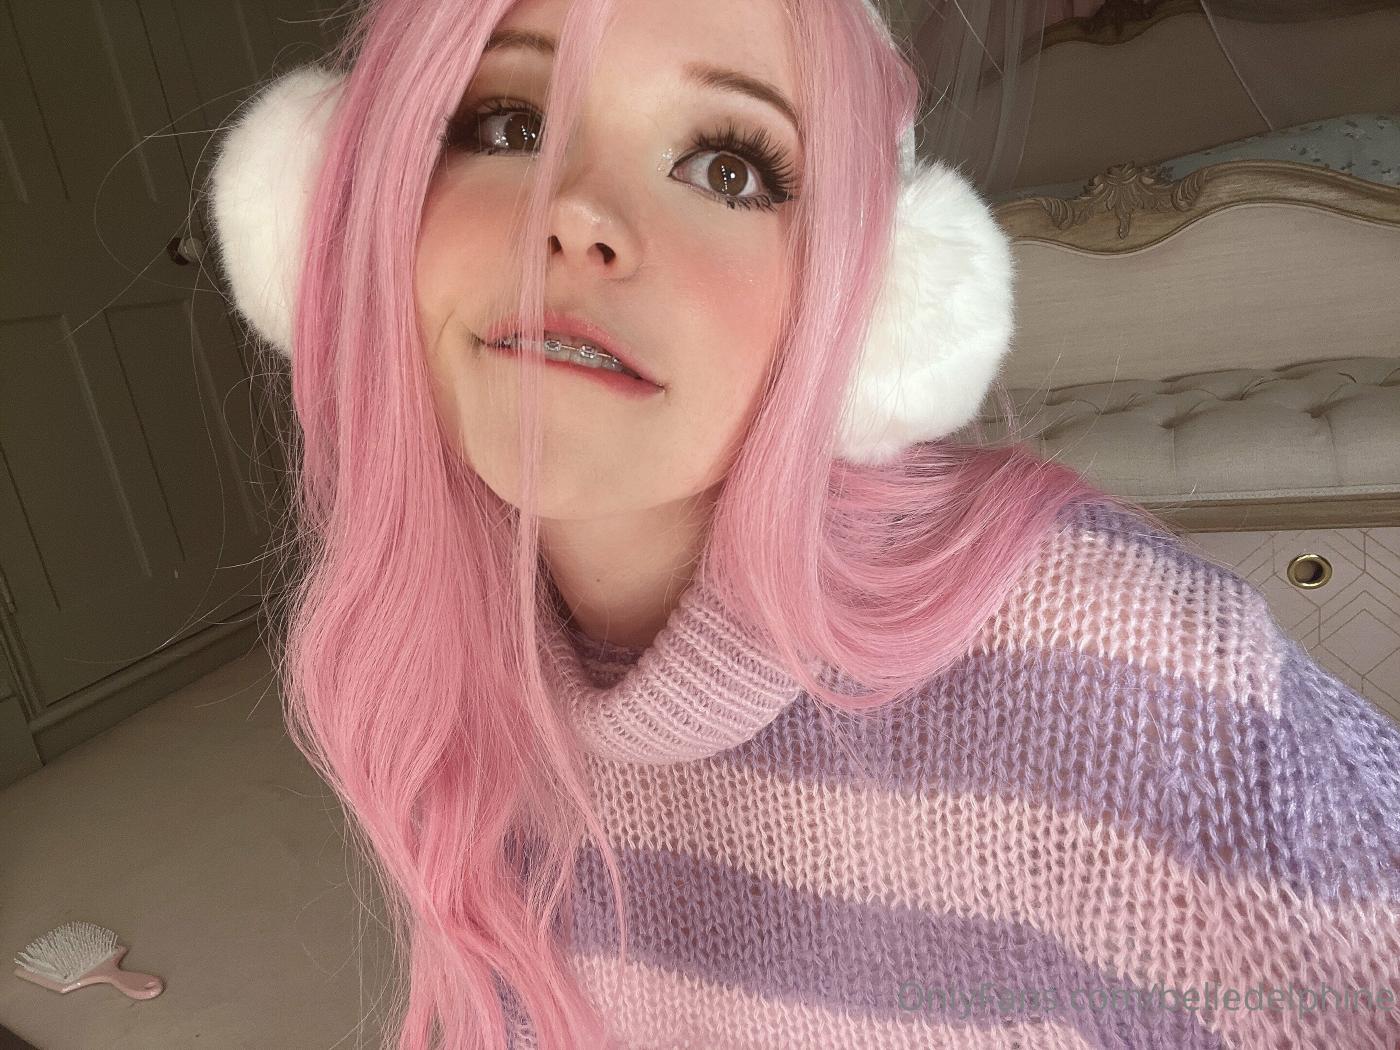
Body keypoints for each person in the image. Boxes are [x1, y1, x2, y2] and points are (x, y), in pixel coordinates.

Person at [207, 0, 1400, 1046]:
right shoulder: (451, 660)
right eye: (508, 125)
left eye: (728, 168)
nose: (575, 216)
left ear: (865, 309)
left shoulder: (1124, 666)